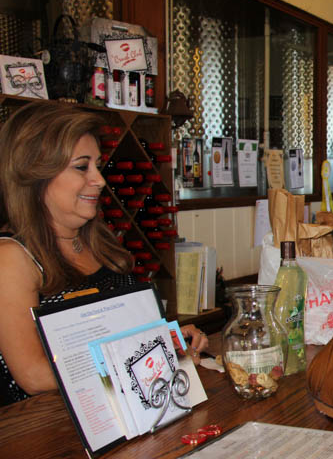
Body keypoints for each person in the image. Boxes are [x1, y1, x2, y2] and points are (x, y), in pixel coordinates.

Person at [0, 100, 208, 406]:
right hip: (49, 438)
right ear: (35, 172)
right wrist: (139, 359)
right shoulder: (11, 257)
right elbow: (34, 376)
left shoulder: (98, 243)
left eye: (98, 165)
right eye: (82, 167)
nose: (99, 179)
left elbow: (117, 335)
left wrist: (167, 339)